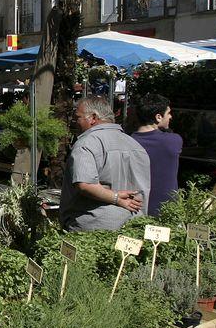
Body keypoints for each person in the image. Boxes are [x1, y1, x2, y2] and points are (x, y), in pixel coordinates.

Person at [60, 96, 151, 232]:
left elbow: (85, 184)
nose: (74, 122)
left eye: (78, 117)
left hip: (94, 230)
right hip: (133, 226)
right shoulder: (134, 144)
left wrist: (116, 198)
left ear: (93, 118)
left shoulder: (86, 143)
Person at [131, 94, 183, 216]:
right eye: (168, 113)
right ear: (158, 117)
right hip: (167, 209)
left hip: (136, 207)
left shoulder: (128, 141)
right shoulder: (173, 141)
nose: (170, 117)